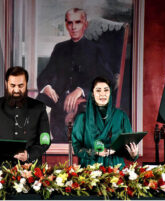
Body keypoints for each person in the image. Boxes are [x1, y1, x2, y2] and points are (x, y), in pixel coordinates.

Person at [37, 8, 113, 143]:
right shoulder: (60, 48)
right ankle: (43, 143)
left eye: (77, 22)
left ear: (85, 24)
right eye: (70, 23)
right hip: (59, 101)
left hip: (83, 102)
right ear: (66, 25)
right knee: (39, 100)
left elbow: (108, 80)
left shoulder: (95, 50)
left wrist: (81, 91)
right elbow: (44, 76)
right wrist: (47, 87)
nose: (74, 27)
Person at [0, 66, 51, 167]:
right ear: (6, 84)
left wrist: (29, 155)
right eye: (12, 85)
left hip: (30, 169)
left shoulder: (39, 108)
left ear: (26, 84)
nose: (16, 90)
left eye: (21, 86)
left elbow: (45, 140)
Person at [72, 77, 138, 168]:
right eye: (98, 90)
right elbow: (77, 149)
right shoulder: (82, 119)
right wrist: (95, 152)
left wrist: (133, 154)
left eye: (106, 90)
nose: (102, 94)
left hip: (116, 171)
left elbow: (128, 147)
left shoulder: (121, 116)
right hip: (90, 173)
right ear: (92, 94)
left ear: (110, 93)